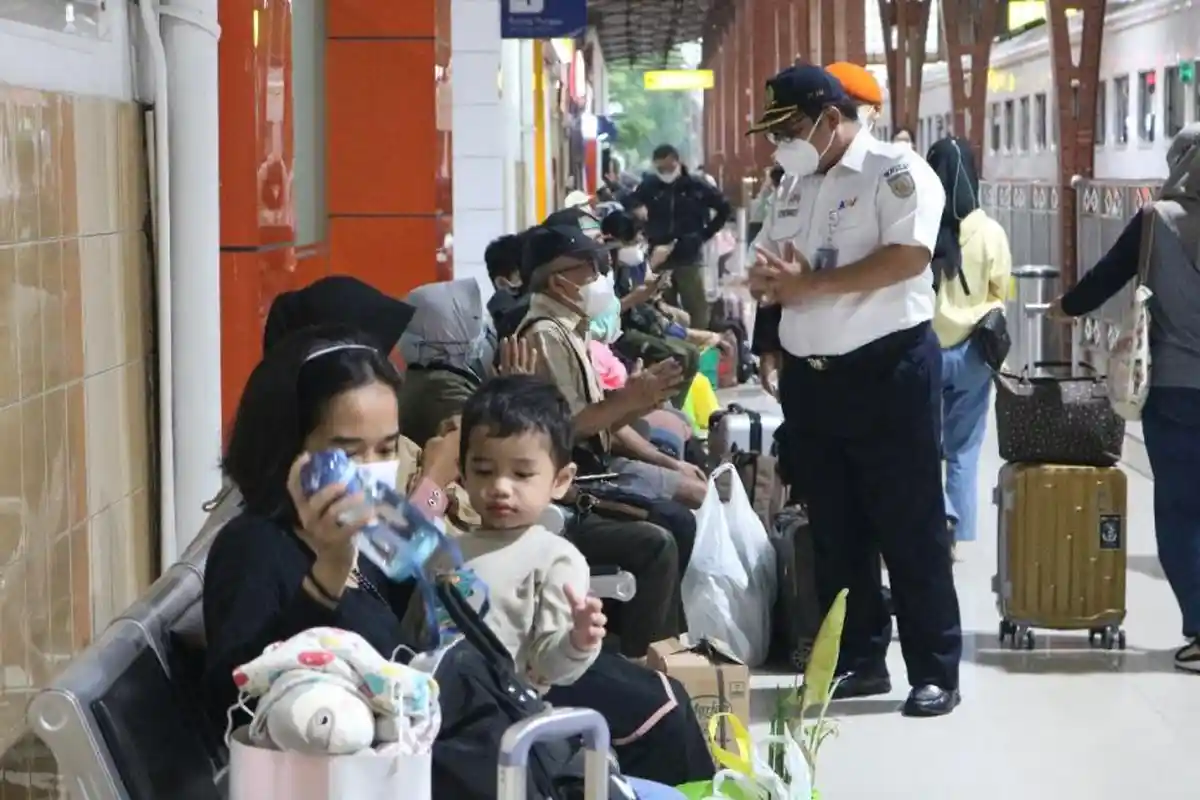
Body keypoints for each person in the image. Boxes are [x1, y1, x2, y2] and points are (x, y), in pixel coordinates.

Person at [746, 64, 961, 716]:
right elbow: (769, 260)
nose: (781, 142)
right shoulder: (794, 185)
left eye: (790, 128)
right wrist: (767, 293)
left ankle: (934, 670)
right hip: (815, 383)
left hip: (887, 373)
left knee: (910, 524)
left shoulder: (894, 171)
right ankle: (860, 660)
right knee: (835, 529)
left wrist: (809, 285)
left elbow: (910, 256)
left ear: (830, 117)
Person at [202, 328, 461, 727]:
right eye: (347, 453)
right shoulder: (254, 548)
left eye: (387, 448)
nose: (371, 467)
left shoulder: (369, 525)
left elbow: (441, 587)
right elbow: (237, 700)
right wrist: (327, 576)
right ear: (289, 452)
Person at [1050, 123, 1200, 673]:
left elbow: (1106, 277)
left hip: (1176, 389)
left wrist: (1065, 308)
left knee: (1181, 510)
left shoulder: (1155, 221)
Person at [517, 223, 708, 509]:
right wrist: (628, 398)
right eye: (589, 268)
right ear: (558, 283)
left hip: (597, 460)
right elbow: (571, 429)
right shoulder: (546, 335)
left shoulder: (571, 326)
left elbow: (600, 422)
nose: (599, 277)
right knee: (694, 500)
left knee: (699, 486)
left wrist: (641, 402)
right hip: (573, 475)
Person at [434, 374, 604, 690]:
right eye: (484, 471)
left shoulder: (555, 559)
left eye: (522, 474)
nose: (500, 486)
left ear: (560, 481)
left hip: (502, 711)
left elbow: (546, 664)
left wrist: (576, 643)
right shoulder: (444, 553)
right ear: (463, 472)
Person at [926, 137, 1012, 553]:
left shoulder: (920, 229)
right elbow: (1001, 292)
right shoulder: (991, 232)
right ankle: (955, 526)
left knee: (921, 444)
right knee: (964, 450)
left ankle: (935, 514)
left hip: (924, 352)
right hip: (975, 354)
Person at [632, 144, 732, 330]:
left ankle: (701, 340)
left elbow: (724, 207)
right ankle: (673, 342)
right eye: (660, 168)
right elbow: (630, 201)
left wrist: (704, 235)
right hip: (660, 257)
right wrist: (640, 217)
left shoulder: (696, 185)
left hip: (688, 256)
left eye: (667, 167)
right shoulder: (650, 186)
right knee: (662, 308)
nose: (664, 172)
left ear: (676, 161)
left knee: (696, 306)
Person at [397, 279, 497, 449]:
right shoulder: (446, 395)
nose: (487, 336)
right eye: (477, 327)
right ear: (450, 337)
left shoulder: (428, 378)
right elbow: (492, 447)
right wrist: (512, 394)